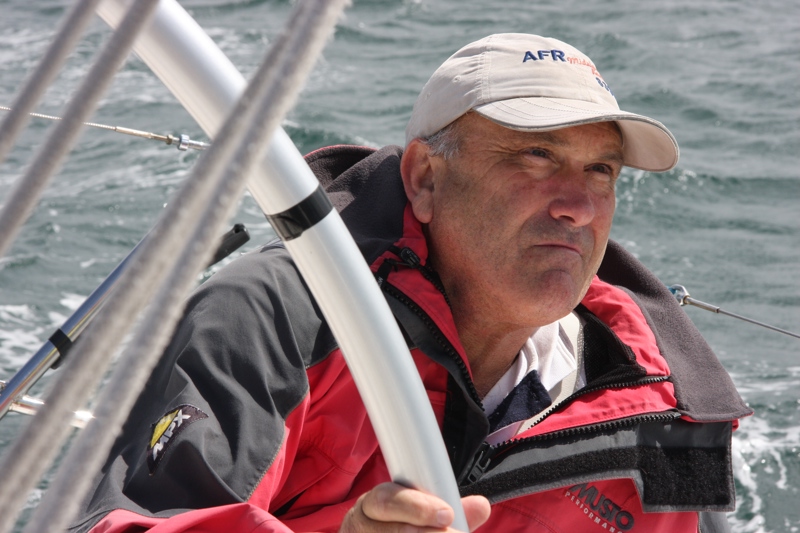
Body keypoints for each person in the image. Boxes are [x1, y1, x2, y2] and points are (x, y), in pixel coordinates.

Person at [70, 33, 751, 533]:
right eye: (537, 156)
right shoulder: (274, 319)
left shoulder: (666, 408)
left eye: (601, 170)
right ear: (426, 178)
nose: (578, 203)